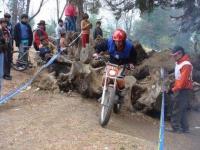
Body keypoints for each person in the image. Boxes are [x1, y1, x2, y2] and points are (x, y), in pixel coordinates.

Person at [168, 46, 193, 133]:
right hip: (182, 89)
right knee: (182, 109)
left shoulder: (186, 65)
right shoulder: (179, 62)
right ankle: (185, 128)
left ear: (180, 53)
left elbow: (182, 81)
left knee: (177, 108)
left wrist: (174, 89)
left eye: (175, 55)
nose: (173, 57)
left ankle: (175, 128)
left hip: (183, 90)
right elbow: (178, 77)